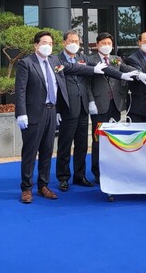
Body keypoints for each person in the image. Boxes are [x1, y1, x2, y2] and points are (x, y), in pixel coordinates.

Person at [14, 30, 108, 204]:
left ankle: (43, 185)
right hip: (34, 113)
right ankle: (26, 188)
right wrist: (21, 113)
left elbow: (73, 68)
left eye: (50, 43)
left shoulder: (54, 61)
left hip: (51, 111)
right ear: (35, 45)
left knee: (47, 150)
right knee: (30, 152)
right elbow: (20, 91)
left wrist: (93, 69)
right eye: (44, 43)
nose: (47, 46)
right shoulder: (26, 63)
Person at [87, 32, 141, 183]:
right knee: (98, 139)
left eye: (109, 44)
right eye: (103, 43)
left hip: (116, 104)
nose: (106, 46)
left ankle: (112, 168)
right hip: (99, 106)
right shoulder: (90, 60)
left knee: (114, 138)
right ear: (97, 45)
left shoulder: (116, 59)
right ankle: (97, 171)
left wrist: (138, 73)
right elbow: (87, 84)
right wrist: (91, 101)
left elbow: (125, 68)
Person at [55, 30, 98, 192]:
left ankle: (79, 175)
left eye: (76, 41)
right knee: (65, 145)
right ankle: (63, 177)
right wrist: (57, 109)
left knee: (82, 144)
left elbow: (87, 80)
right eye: (70, 41)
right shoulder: (56, 60)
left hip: (83, 106)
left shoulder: (83, 58)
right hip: (67, 108)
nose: (74, 44)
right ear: (64, 42)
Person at [124, 31, 146, 122]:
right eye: (145, 41)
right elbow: (139, 74)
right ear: (139, 42)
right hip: (137, 105)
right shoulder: (132, 59)